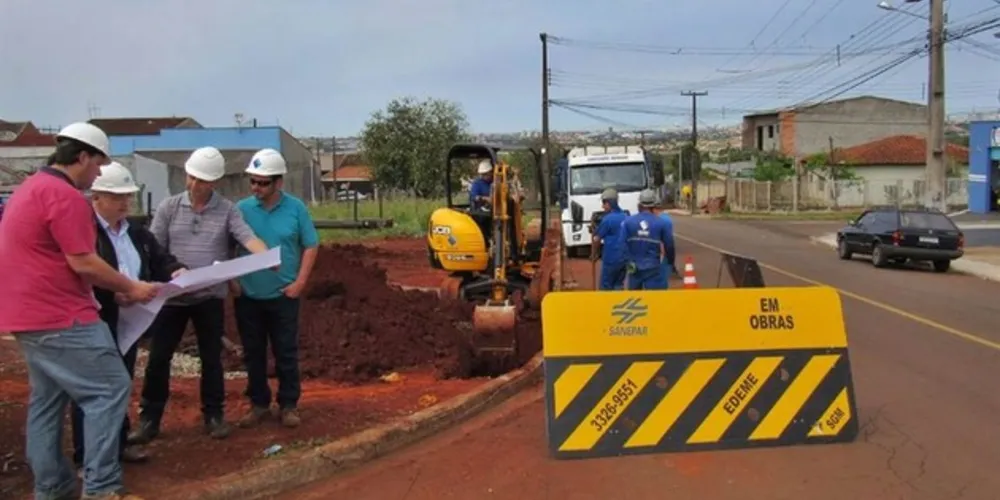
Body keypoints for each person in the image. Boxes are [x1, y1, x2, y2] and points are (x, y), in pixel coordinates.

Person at [0, 122, 159, 499]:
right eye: (98, 164)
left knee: (48, 399)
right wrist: (131, 286)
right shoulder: (64, 196)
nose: (98, 174)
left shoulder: (30, 190)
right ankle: (101, 488)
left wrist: (114, 292)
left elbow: (54, 260)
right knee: (110, 388)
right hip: (62, 317)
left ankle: (53, 488)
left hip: (27, 316)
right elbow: (83, 261)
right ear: (83, 156)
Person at [129, 146, 270, 444]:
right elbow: (156, 249)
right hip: (172, 297)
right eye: (192, 177)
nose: (195, 184)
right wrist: (168, 275)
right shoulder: (168, 207)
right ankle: (149, 418)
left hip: (209, 297)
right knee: (158, 358)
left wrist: (265, 257)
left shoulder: (228, 210)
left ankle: (214, 415)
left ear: (214, 182)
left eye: (203, 180)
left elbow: (246, 237)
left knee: (211, 359)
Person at [69, 162, 188, 470]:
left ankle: (118, 445)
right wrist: (113, 294)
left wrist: (176, 270)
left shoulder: (135, 232)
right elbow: (82, 274)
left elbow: (160, 258)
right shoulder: (83, 231)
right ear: (97, 196)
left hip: (131, 322)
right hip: (94, 321)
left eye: (128, 196)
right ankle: (88, 456)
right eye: (117, 196)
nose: (125, 202)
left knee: (120, 382)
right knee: (92, 389)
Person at [232, 149, 319, 429]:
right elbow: (228, 245)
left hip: (284, 295)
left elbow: (311, 245)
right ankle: (258, 404)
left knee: (286, 351)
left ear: (279, 183)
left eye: (263, 182)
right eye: (253, 182)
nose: (256, 188)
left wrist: (300, 282)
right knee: (253, 352)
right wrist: (232, 282)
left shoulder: (296, 209)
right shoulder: (241, 210)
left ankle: (289, 404)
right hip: (249, 296)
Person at [621, 189, 674, 290]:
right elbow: (669, 245)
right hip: (653, 267)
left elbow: (622, 245)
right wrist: (670, 262)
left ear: (639, 204)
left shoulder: (628, 222)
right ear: (654, 204)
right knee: (655, 300)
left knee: (635, 299)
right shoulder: (662, 223)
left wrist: (627, 262)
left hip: (634, 267)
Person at [590, 188, 629, 290]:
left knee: (606, 288)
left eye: (604, 203)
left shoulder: (607, 219)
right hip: (624, 259)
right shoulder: (626, 217)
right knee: (618, 285)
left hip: (611, 259)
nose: (602, 206)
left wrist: (594, 254)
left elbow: (597, 239)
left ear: (609, 203)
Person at [653, 202, 678, 284]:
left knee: (660, 279)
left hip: (661, 251)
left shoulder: (660, 219)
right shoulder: (666, 218)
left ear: (655, 209)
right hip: (666, 249)